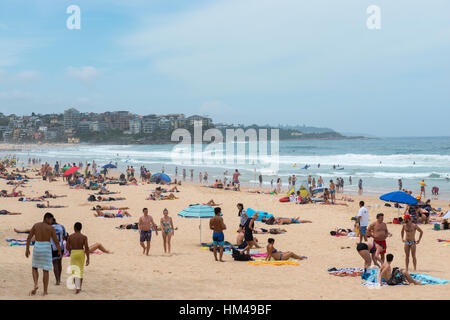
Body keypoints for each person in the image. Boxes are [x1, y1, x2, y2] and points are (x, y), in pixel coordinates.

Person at [25, 212, 62, 296]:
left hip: (37, 246)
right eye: (51, 220)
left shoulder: (36, 225)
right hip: (46, 247)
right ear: (47, 219)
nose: (51, 221)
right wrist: (59, 251)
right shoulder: (51, 228)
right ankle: (45, 291)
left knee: (34, 267)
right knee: (45, 270)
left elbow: (29, 238)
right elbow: (56, 241)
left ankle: (35, 284)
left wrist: (27, 249)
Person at [67, 222, 90, 294]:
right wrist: (88, 258)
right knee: (80, 270)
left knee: (74, 269)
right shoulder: (84, 237)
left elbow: (67, 247)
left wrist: (71, 251)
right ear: (81, 228)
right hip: (81, 253)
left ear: (74, 228)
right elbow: (86, 248)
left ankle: (76, 287)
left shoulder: (70, 237)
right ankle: (79, 287)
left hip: (73, 252)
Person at [51, 217, 67, 286]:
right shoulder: (62, 227)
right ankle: (59, 279)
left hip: (53, 247)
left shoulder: (49, 227)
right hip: (61, 247)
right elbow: (65, 236)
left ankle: (57, 280)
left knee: (55, 264)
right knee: (59, 263)